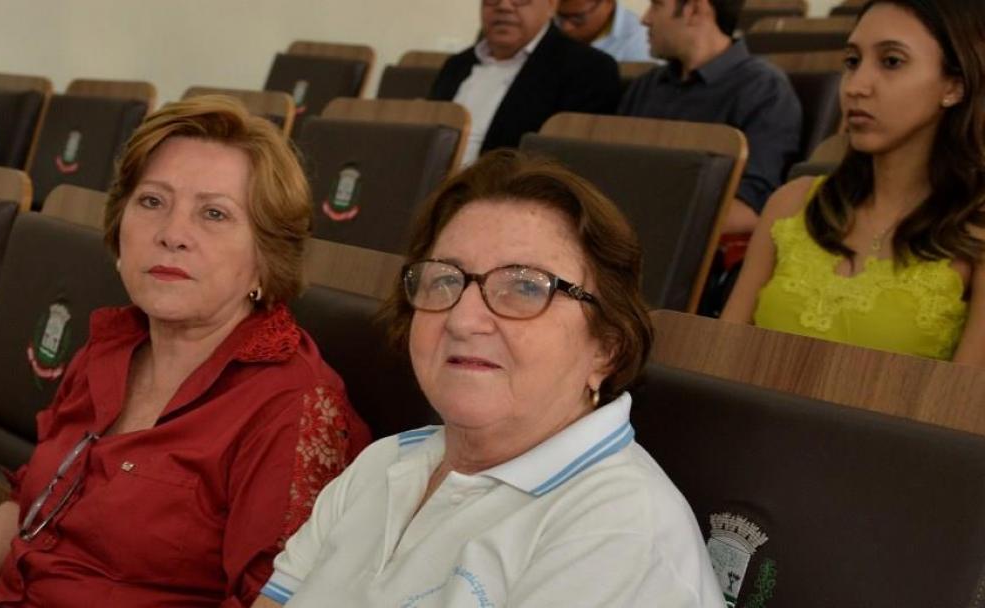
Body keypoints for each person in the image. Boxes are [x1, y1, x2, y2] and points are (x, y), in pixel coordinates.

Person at [0, 96, 371, 607]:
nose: (172, 234)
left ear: (267, 258)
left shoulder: (294, 407)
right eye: (152, 202)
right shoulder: (110, 346)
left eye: (214, 213)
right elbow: (30, 499)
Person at [251, 150, 723, 607]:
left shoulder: (622, 531)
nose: (463, 319)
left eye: (525, 286)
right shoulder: (384, 463)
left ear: (607, 346)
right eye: (444, 280)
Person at [722, 0, 985, 365]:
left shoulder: (977, 230)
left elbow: (965, 396)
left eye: (891, 61)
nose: (856, 86)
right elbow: (719, 358)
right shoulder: (791, 203)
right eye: (852, 62)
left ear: (954, 86)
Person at [619, 0, 801, 234]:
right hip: (620, 237)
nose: (645, 19)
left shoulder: (764, 89)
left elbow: (751, 209)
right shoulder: (646, 85)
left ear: (694, 10)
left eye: (657, 5)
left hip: (685, 243)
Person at [429, 0, 620, 165]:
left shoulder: (588, 69)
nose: (504, 5)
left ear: (551, 5)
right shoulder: (455, 65)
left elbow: (569, 164)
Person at [556, 0, 653, 61]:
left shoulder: (641, 43)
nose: (566, 27)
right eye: (560, 17)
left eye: (578, 18)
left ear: (608, 3)